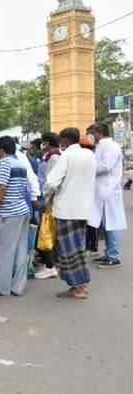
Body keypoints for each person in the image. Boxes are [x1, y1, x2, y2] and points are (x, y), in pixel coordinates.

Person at [42, 128, 96, 299]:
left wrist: (47, 195)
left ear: (65, 140)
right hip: (83, 208)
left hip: (66, 209)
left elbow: (51, 182)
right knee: (78, 247)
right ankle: (81, 284)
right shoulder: (89, 155)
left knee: (68, 250)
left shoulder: (67, 156)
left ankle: (78, 287)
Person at [0, 136, 30, 296]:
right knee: (20, 250)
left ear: (1, 151)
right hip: (22, 211)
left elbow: (1, 188)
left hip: (7, 213)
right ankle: (18, 287)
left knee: (1, 252)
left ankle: (2, 287)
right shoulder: (21, 163)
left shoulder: (4, 163)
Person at [89, 122, 128, 268]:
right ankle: (109, 253)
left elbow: (106, 166)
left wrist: (90, 168)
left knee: (111, 223)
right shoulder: (102, 146)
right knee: (105, 225)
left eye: (93, 133)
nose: (92, 136)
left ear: (99, 132)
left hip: (109, 190)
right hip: (102, 190)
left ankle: (114, 256)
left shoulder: (110, 146)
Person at [34, 132, 61, 279]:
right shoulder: (48, 156)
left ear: (48, 142)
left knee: (47, 230)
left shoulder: (54, 157)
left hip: (49, 198)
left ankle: (50, 265)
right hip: (45, 195)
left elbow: (52, 181)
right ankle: (50, 263)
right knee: (46, 229)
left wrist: (46, 196)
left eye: (43, 141)